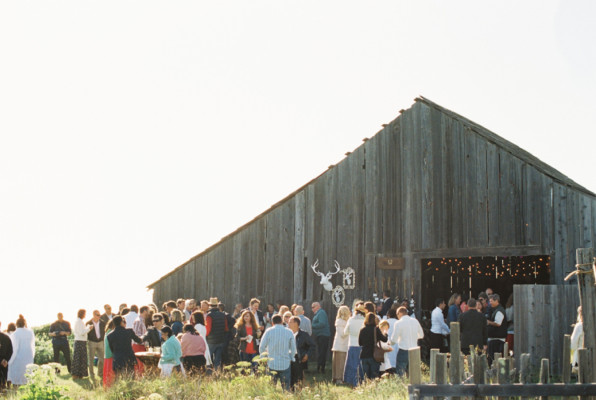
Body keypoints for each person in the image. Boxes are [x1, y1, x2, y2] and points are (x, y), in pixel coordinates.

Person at [259, 314, 297, 391]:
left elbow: (262, 346)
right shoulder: (289, 332)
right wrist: (292, 358)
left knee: (270, 389)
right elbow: (293, 348)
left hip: (271, 363)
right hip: (285, 363)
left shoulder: (268, 331)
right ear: (282, 321)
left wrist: (263, 358)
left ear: (272, 322)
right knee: (286, 389)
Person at [391, 306, 424, 376]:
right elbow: (421, 335)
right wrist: (414, 337)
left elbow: (394, 340)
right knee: (413, 374)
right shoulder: (415, 321)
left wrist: (390, 343)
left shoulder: (398, 323)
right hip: (414, 349)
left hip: (404, 350)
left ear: (399, 313)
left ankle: (401, 386)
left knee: (400, 373)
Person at [359, 312, 387, 380]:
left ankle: (365, 389)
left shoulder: (362, 330)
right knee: (374, 377)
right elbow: (384, 340)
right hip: (374, 355)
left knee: (365, 377)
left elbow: (360, 343)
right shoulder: (376, 329)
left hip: (364, 355)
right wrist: (385, 333)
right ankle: (372, 389)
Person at [7, 315, 35, 386]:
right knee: (27, 375)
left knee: (16, 377)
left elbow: (14, 349)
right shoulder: (30, 332)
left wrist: (10, 361)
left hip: (19, 358)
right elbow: (33, 345)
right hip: (29, 356)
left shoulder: (15, 334)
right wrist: (32, 356)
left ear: (16, 324)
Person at [289, 316, 314, 390]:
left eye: (290, 322)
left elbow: (312, 346)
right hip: (287, 357)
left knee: (298, 377)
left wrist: (307, 354)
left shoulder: (304, 334)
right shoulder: (287, 333)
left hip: (298, 358)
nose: (288, 323)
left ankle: (298, 392)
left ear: (296, 324)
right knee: (289, 377)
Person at [343, 303, 366, 387]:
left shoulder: (351, 320)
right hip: (361, 344)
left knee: (352, 364)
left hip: (352, 343)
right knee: (360, 364)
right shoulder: (364, 320)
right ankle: (361, 380)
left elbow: (345, 332)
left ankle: (352, 381)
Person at [205, 297, 229, 370]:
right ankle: (217, 373)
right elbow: (226, 328)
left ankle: (208, 373)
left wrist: (205, 336)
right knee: (217, 360)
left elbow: (208, 329)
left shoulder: (209, 315)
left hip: (211, 341)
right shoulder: (223, 315)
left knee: (208, 358)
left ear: (210, 305)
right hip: (220, 340)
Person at [331, 305, 350, 383]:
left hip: (345, 344)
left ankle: (340, 378)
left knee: (342, 362)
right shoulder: (339, 321)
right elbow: (342, 334)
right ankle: (338, 378)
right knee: (339, 363)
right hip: (340, 345)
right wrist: (349, 330)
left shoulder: (347, 321)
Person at [487, 294, 507, 366]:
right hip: (495, 339)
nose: (490, 303)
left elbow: (498, 323)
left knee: (494, 359)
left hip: (497, 340)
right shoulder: (496, 310)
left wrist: (489, 322)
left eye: (491, 301)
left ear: (496, 301)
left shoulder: (499, 311)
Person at [72, 309, 92, 379]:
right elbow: (81, 332)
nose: (85, 315)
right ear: (82, 314)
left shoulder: (79, 321)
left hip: (81, 341)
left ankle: (80, 374)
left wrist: (87, 328)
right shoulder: (79, 322)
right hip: (80, 341)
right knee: (79, 358)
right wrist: (89, 328)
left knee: (81, 358)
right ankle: (76, 374)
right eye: (84, 313)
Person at [86, 310, 106, 380]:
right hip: (92, 342)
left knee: (102, 359)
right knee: (91, 359)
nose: (99, 316)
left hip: (100, 342)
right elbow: (86, 333)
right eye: (97, 315)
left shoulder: (103, 323)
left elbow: (105, 331)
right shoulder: (88, 323)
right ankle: (91, 374)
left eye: (99, 315)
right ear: (93, 315)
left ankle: (100, 373)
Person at [311, 302, 331, 373]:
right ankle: (319, 367)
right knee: (320, 352)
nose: (312, 309)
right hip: (320, 335)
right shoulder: (318, 313)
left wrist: (312, 326)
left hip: (323, 335)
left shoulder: (321, 313)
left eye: (313, 307)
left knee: (322, 352)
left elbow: (322, 323)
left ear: (318, 306)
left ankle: (321, 369)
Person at [383, 308, 399, 374]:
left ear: (388, 315)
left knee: (388, 359)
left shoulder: (385, 322)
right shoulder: (397, 322)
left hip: (388, 342)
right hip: (396, 342)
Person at [0, 322, 13, 390]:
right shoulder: (6, 337)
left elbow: (10, 350)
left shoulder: (6, 338)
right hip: (3, 363)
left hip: (3, 365)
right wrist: (4, 360)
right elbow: (10, 351)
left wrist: (6, 359)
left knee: (3, 385)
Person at [102, 320, 115, 388]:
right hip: (110, 354)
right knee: (110, 372)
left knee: (107, 371)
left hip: (107, 355)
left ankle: (106, 386)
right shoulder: (111, 332)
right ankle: (110, 386)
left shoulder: (107, 331)